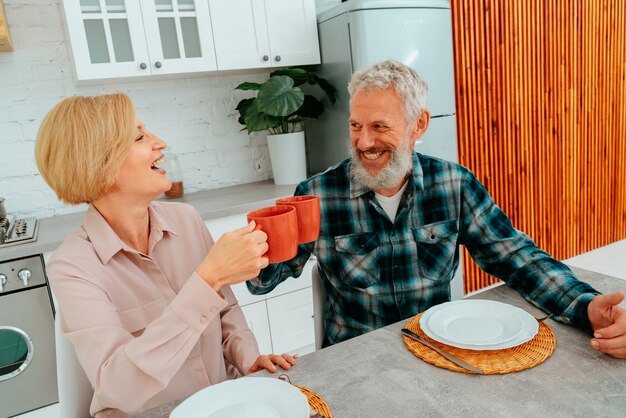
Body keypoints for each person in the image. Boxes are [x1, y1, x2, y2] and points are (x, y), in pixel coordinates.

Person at [247, 59, 626, 358]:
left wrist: (586, 306)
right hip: (357, 362)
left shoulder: (454, 184)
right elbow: (263, 282)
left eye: (380, 126)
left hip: (439, 353)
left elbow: (517, 257)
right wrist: (255, 254)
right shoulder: (317, 195)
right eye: (356, 125)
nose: (364, 142)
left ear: (419, 125)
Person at [35, 94, 295, 418]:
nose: (160, 143)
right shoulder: (73, 267)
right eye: (140, 137)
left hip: (222, 405)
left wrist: (247, 358)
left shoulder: (185, 219)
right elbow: (120, 387)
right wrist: (207, 279)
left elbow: (225, 310)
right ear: (100, 164)